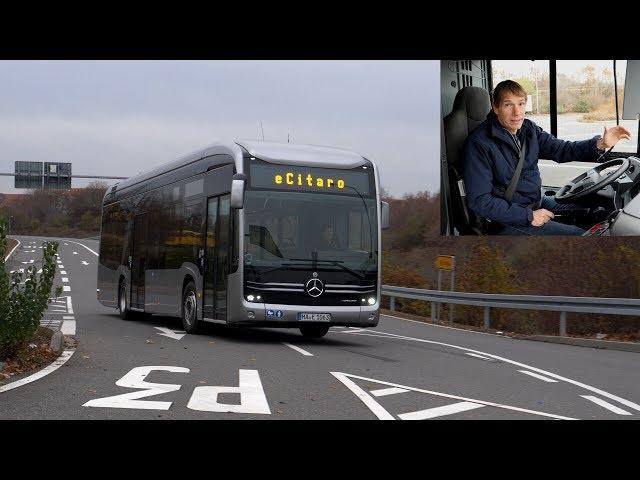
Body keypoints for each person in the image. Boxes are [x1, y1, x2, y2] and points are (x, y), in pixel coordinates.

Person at [461, 80, 632, 235]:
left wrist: (600, 144)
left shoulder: (528, 130)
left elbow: (563, 149)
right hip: (507, 218)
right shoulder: (479, 143)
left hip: (535, 201)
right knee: (582, 238)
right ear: (495, 107)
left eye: (521, 104)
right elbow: (481, 201)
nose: (517, 112)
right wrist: (529, 216)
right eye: (508, 105)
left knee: (597, 211)